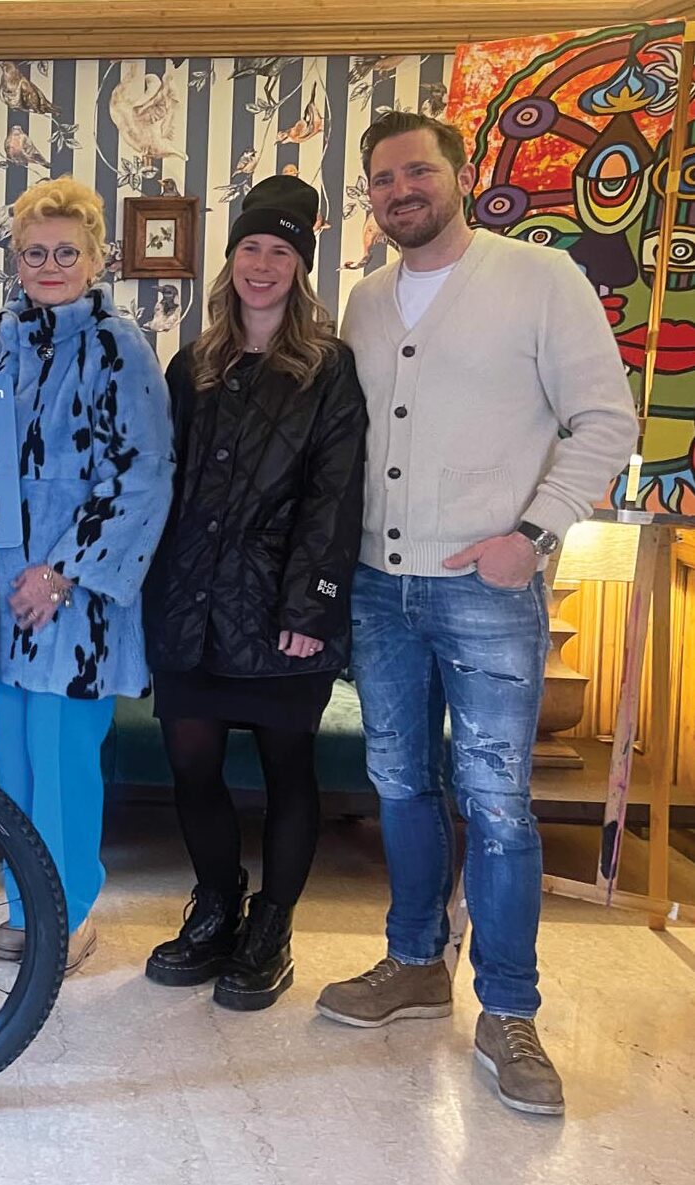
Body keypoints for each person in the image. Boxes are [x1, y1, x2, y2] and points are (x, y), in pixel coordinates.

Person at [319, 111, 636, 1116]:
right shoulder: (365, 301)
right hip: (379, 587)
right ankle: (415, 961)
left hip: (487, 587)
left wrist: (533, 533)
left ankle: (508, 1011)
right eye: (381, 180)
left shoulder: (538, 280)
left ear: (458, 174)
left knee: (496, 803)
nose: (399, 191)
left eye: (416, 171)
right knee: (399, 784)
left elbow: (605, 419)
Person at [0, 177, 174, 975]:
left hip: (74, 605)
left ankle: (67, 912)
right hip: (1, 597)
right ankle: (21, 905)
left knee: (64, 760)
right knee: (17, 765)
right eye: (35, 252)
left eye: (67, 252)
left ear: (96, 259)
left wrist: (65, 572)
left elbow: (144, 478)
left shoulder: (119, 348)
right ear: (17, 260)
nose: (50, 265)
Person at [140, 176, 368, 1011]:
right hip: (189, 603)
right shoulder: (193, 363)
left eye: (280, 251)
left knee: (286, 767)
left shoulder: (328, 368)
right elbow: (159, 482)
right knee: (190, 762)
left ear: (300, 266)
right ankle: (216, 904)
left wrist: (310, 604)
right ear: (231, 258)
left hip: (282, 610)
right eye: (250, 247)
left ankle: (271, 926)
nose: (262, 265)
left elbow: (336, 494)